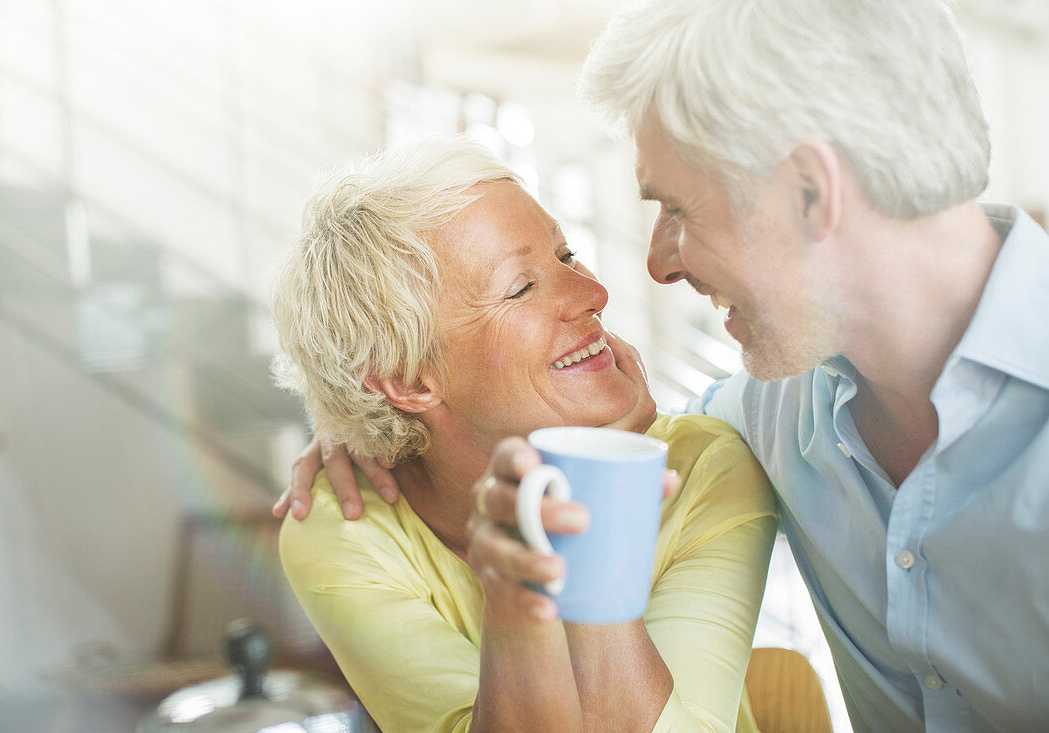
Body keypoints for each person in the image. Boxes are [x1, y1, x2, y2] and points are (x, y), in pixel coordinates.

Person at [276, 1, 1049, 730]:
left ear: (813, 191)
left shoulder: (756, 434)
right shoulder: (774, 418)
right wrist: (367, 424)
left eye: (676, 208)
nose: (648, 268)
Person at [273, 137, 777, 732]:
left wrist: (599, 479)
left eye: (565, 257)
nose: (593, 295)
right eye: (520, 288)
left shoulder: (703, 471)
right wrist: (517, 609)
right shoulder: (347, 527)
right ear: (407, 381)